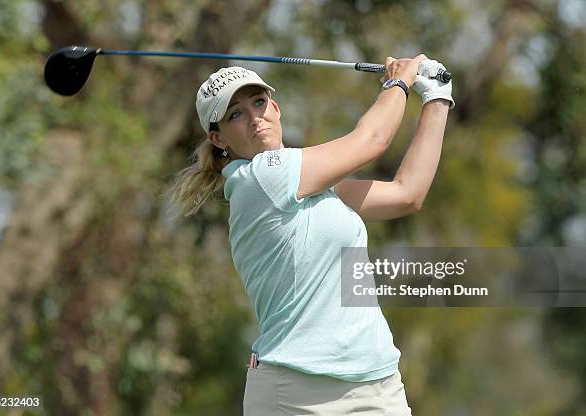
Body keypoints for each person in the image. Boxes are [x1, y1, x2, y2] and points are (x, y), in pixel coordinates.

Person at [170, 55, 454, 415]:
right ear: (218, 138)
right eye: (235, 114)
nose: (255, 117)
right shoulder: (262, 177)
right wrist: (398, 82)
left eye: (258, 102)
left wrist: (438, 97)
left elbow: (406, 194)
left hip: (376, 383)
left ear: (275, 107)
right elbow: (372, 140)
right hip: (295, 391)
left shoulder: (315, 187)